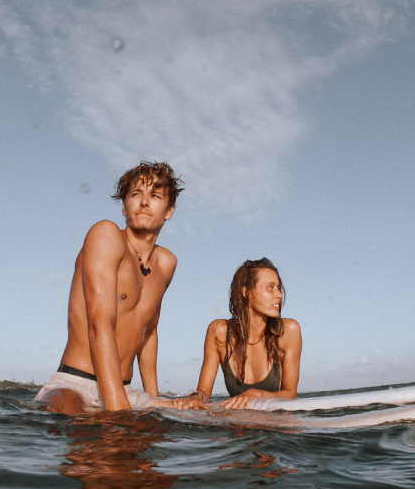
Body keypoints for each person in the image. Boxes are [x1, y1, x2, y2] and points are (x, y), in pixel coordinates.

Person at [35, 161, 183, 414]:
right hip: (76, 385)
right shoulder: (105, 235)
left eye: (155, 196)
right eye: (136, 194)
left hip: (126, 391)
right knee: (65, 415)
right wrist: (120, 413)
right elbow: (99, 324)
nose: (144, 202)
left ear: (169, 211)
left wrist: (155, 404)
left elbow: (149, 333)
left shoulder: (166, 263)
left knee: (213, 413)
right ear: (124, 206)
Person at [174, 258, 302, 411]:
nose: (279, 294)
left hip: (275, 424)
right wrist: (196, 398)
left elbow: (290, 394)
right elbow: (203, 392)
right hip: (236, 423)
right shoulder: (219, 331)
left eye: (278, 288)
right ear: (246, 292)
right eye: (270, 288)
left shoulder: (287, 331)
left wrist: (256, 394)